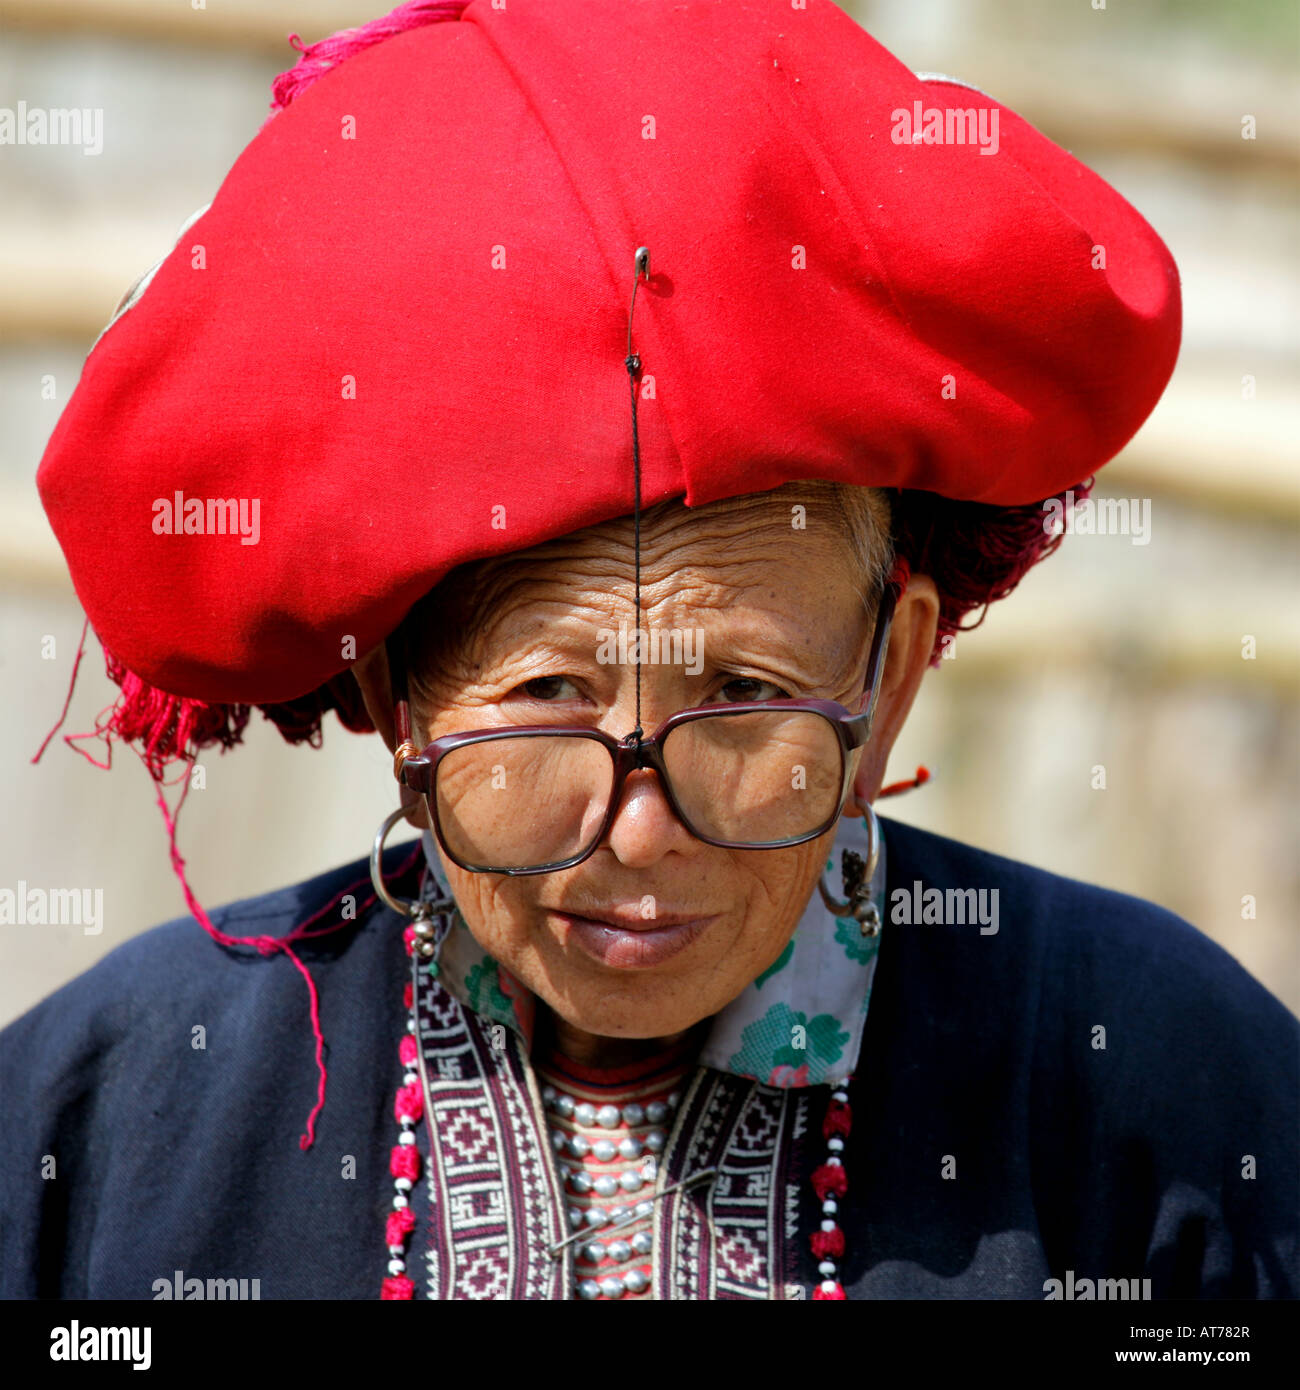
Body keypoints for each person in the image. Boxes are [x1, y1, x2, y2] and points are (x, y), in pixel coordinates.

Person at [2, 0, 1295, 1302]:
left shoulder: (1162, 1096)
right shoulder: (109, 1122)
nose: (638, 834)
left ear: (889, 677)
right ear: (398, 694)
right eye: (551, 692)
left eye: (742, 694)